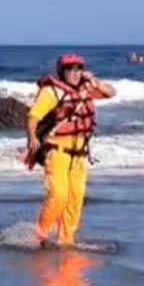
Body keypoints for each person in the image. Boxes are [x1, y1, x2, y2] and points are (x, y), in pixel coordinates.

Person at [24, 54, 116, 248]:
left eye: (78, 68)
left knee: (75, 200)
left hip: (80, 155)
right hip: (58, 151)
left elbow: (111, 93)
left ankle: (66, 240)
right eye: (70, 69)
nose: (75, 73)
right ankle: (39, 237)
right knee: (58, 195)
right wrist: (32, 138)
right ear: (61, 71)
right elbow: (33, 117)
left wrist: (94, 82)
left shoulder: (86, 90)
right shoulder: (52, 92)